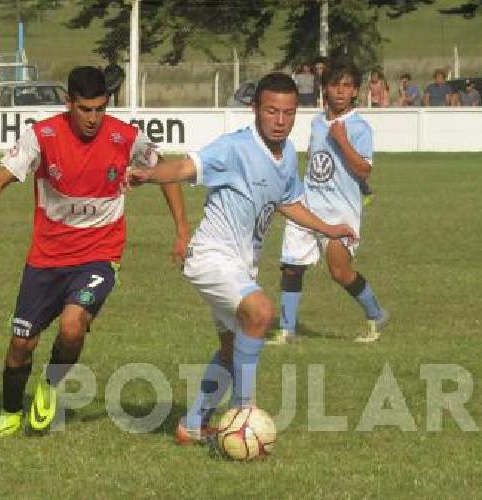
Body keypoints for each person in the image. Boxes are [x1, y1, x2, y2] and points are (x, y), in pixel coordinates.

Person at [0, 66, 189, 437]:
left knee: (72, 324)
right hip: (46, 259)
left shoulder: (125, 137)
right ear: (69, 103)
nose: (94, 118)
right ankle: (12, 412)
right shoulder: (42, 136)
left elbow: (165, 171)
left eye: (100, 108)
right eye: (85, 109)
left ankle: (49, 387)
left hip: (99, 253)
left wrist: (181, 229)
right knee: (20, 344)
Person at [127, 73, 358, 445]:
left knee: (233, 348)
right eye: (271, 111)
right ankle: (243, 413)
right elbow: (186, 167)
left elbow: (290, 202)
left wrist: (329, 229)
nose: (280, 121)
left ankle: (192, 425)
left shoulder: (285, 158)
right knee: (261, 313)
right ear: (255, 110)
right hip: (211, 258)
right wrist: (149, 175)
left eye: (288, 113)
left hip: (240, 264)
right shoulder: (235, 148)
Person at [269, 60, 390, 346]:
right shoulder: (316, 123)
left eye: (346, 86)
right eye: (334, 85)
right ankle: (286, 330)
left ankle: (376, 313)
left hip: (340, 212)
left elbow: (364, 169)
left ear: (355, 92)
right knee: (291, 267)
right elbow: (316, 161)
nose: (339, 91)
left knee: (338, 270)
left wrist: (343, 141)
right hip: (307, 205)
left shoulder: (359, 128)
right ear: (324, 89)